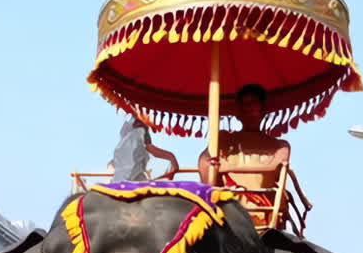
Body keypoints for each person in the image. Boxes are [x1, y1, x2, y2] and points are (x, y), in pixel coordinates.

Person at [197, 84, 291, 223]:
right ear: (237, 112)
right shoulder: (222, 140)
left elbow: (273, 167)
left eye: (253, 103)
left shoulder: (280, 146)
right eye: (244, 104)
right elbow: (204, 162)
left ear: (263, 109)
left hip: (265, 213)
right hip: (228, 210)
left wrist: (225, 167)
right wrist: (210, 165)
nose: (249, 108)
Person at [109, 115, 179, 182]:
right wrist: (171, 157)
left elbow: (113, 163)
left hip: (120, 179)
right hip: (133, 179)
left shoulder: (126, 131)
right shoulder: (140, 127)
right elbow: (151, 149)